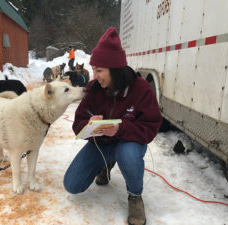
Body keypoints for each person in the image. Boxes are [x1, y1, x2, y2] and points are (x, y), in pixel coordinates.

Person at [63, 27, 162, 225]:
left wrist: (121, 129)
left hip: (129, 142)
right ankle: (106, 163)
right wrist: (88, 125)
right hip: (103, 143)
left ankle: (135, 196)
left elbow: (151, 126)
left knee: (128, 153)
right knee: (72, 185)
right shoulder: (94, 89)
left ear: (115, 68)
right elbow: (77, 124)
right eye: (93, 70)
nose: (95, 75)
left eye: (99, 70)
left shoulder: (141, 89)